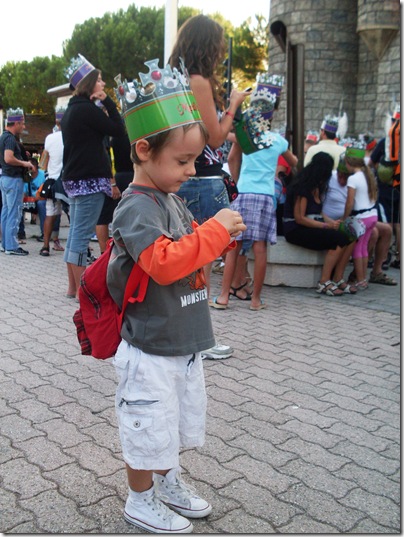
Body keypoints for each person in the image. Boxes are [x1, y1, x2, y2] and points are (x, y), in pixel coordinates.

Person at [109, 59, 246, 533]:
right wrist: (212, 231)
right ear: (144, 150)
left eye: (193, 161)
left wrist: (219, 238)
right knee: (146, 430)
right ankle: (139, 498)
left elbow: (190, 255)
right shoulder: (134, 207)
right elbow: (164, 263)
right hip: (149, 349)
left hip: (182, 344)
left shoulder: (171, 198)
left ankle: (168, 484)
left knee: (171, 427)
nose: (191, 171)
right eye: (183, 161)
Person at [169, 14, 251, 358]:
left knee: (183, 263)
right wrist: (233, 104)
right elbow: (213, 136)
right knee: (199, 266)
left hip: (179, 177)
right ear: (208, 45)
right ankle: (199, 340)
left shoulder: (174, 79)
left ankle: (182, 335)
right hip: (202, 181)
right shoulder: (198, 81)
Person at [211, 129, 298, 310]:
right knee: (260, 249)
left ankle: (223, 296)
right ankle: (256, 300)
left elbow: (232, 154)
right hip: (265, 195)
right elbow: (294, 162)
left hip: (243, 192)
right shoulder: (278, 140)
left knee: (234, 246)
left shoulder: (247, 137)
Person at [61, 54, 125, 299]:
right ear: (89, 84)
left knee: (75, 234)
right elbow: (118, 130)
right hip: (89, 181)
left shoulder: (71, 110)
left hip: (75, 181)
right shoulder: (88, 110)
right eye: (99, 81)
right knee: (79, 236)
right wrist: (109, 102)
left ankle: (72, 288)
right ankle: (80, 292)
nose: (103, 85)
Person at [283, 152, 353, 296]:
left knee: (351, 237)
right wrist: (326, 226)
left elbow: (319, 213)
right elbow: (300, 218)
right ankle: (323, 281)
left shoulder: (317, 187)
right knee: (337, 240)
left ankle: (338, 277)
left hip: (308, 226)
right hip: (295, 229)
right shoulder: (303, 188)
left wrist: (333, 223)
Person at [343, 144, 378, 290]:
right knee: (364, 247)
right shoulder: (368, 175)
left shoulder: (353, 179)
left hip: (361, 217)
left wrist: (344, 218)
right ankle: (363, 279)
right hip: (372, 216)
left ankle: (360, 279)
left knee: (357, 249)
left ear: (349, 163)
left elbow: (350, 202)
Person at [0, 108, 35, 255]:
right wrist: (24, 163)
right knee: (13, 213)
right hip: (13, 179)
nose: (24, 126)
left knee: (6, 212)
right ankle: (12, 246)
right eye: (22, 123)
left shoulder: (3, 137)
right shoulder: (9, 138)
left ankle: (5, 244)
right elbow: (8, 158)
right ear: (16, 123)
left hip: (5, 179)